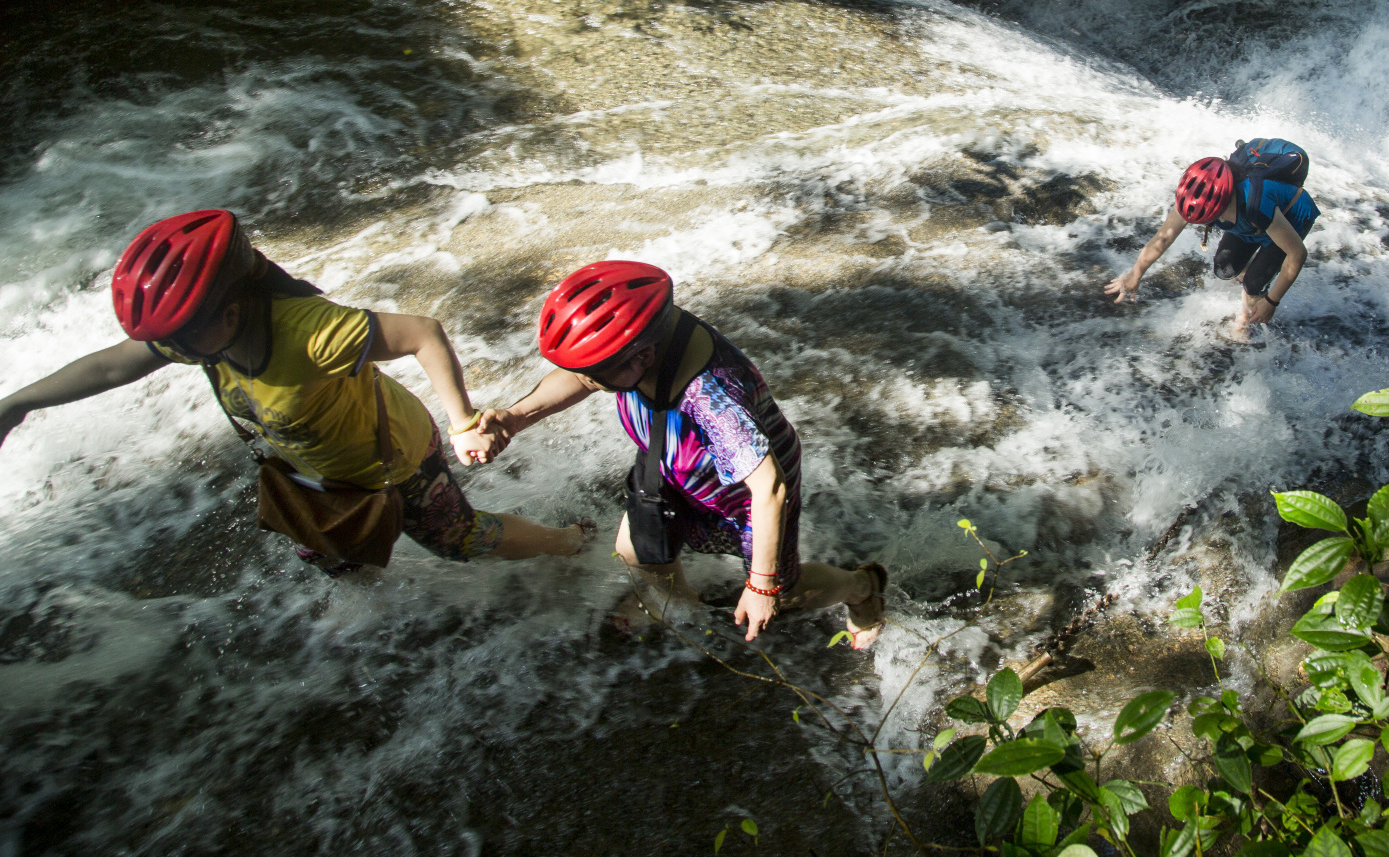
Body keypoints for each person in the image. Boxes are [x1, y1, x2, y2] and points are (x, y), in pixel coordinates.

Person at [0, 209, 590, 574]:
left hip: (394, 459)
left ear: (230, 309)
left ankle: (574, 545)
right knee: (331, 552)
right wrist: (16, 404)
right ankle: (363, 612)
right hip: (315, 473)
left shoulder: (308, 333)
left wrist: (462, 420)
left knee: (460, 541)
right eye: (167, 338)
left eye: (182, 333)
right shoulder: (198, 334)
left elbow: (423, 335)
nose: (173, 347)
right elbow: (109, 368)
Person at [473, 261, 887, 648]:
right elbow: (580, 380)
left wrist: (762, 586)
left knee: (785, 594)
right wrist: (515, 417)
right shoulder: (638, 340)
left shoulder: (712, 399)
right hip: (671, 463)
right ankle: (680, 606)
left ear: (644, 355)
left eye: (596, 373)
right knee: (637, 549)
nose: (586, 381)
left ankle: (861, 588)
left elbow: (770, 489)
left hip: (743, 491)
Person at [1103, 138, 1319, 335]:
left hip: (1290, 220)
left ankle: (1246, 322)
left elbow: (1297, 254)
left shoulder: (1255, 202)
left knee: (1254, 283)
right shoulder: (1195, 197)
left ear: (1225, 202)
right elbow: (1163, 238)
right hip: (1251, 224)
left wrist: (1272, 301)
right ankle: (1249, 278)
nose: (1204, 223)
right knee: (1224, 268)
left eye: (1208, 219)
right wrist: (1135, 274)